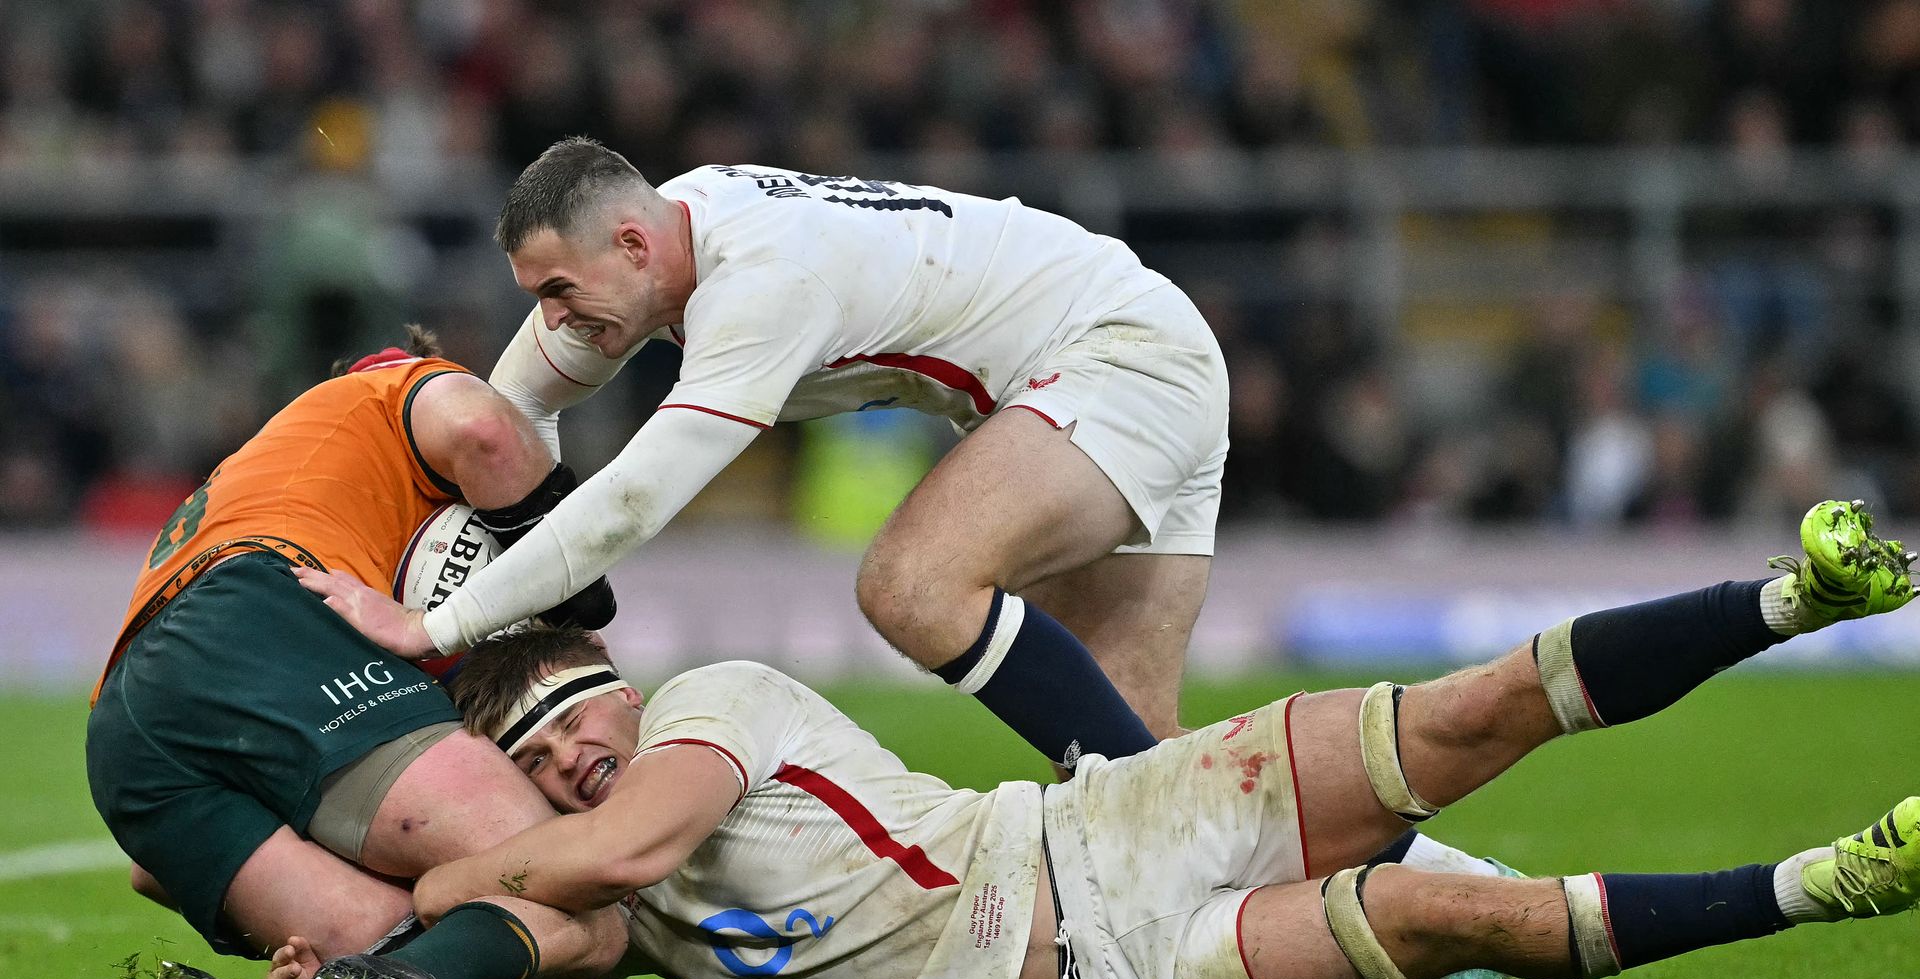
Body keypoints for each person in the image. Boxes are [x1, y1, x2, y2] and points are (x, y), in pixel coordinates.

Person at [225, 501, 1920, 979]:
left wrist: (436, 882)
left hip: (1108, 822)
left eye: (579, 718)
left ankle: (1797, 590)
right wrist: (341, 965)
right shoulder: (618, 903)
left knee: (1473, 709)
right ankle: (1816, 885)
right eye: (544, 757)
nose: (581, 756)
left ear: (619, 684)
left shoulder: (706, 710)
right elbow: (547, 954)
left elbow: (601, 865)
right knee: (1439, 916)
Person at [299, 138, 1232, 776]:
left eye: (557, 290)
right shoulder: (661, 247)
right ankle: (1368, 855)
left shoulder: (764, 282)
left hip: (1118, 358)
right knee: (1133, 735)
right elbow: (508, 422)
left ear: (630, 243)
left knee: (914, 586)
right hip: (1122, 352)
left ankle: (1172, 832)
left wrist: (441, 627)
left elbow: (632, 500)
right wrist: (527, 604)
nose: (551, 320)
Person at [86, 328, 625, 979]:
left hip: (124, 734)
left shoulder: (266, 481)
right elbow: (482, 429)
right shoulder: (391, 391)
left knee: (462, 971)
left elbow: (152, 874)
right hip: (261, 611)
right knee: (587, 898)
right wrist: (574, 611)